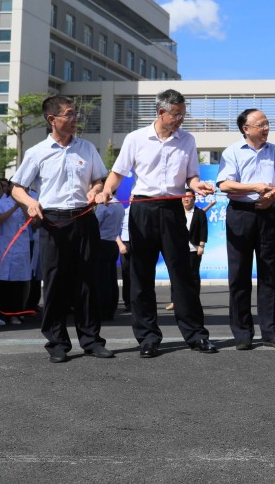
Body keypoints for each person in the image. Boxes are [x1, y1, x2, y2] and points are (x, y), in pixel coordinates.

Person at [96, 89, 218, 358]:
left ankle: (196, 335)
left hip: (173, 210)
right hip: (143, 208)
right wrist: (107, 191)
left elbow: (192, 177)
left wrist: (199, 186)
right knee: (140, 276)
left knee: (182, 274)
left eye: (183, 115)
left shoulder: (187, 139)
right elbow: (118, 172)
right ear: (161, 112)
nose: (180, 120)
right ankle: (148, 338)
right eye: (176, 115)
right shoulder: (136, 138)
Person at [9, 95, 113, 363]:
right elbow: (16, 187)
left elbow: (98, 180)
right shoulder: (37, 153)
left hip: (84, 217)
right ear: (52, 120)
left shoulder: (87, 148)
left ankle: (91, 339)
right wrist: (31, 203)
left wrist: (97, 191)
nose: (74, 118)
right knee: (55, 282)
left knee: (87, 282)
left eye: (75, 113)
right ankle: (57, 342)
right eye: (68, 114)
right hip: (53, 221)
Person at [216, 108, 275, 350]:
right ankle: (242, 333)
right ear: (246, 129)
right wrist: (254, 187)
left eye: (267, 123)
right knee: (239, 275)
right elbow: (225, 184)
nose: (266, 128)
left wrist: (273, 196)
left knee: (269, 274)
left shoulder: (274, 152)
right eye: (261, 124)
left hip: (267, 214)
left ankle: (270, 332)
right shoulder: (232, 152)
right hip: (240, 214)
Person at [0, 177, 32, 322]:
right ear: (10, 189)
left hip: (21, 249)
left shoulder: (28, 204)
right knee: (2, 282)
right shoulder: (0, 203)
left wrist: (23, 206)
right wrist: (15, 206)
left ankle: (15, 313)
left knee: (18, 282)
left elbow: (33, 223)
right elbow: (0, 219)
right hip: (4, 247)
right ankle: (2, 313)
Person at [95, 196, 126, 321]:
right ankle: (110, 309)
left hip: (102, 242)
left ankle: (103, 309)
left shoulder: (104, 206)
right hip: (112, 242)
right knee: (111, 278)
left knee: (102, 280)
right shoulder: (119, 204)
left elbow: (95, 224)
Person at [117, 203, 132, 314]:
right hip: (126, 244)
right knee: (126, 275)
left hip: (140, 244)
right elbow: (115, 229)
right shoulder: (123, 211)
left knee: (141, 274)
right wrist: (121, 245)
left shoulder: (144, 212)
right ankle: (128, 303)